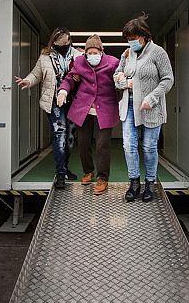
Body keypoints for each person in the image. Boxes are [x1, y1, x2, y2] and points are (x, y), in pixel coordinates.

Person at [114, 13, 174, 202]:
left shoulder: (158, 53)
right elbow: (117, 76)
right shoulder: (127, 54)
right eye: (128, 39)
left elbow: (168, 79)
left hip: (151, 106)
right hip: (129, 105)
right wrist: (125, 83)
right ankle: (134, 182)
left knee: (149, 147)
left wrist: (152, 97)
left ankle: (150, 184)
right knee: (128, 145)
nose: (130, 42)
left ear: (144, 36)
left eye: (133, 38)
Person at [15, 27, 83, 188]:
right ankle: (60, 173)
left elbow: (88, 74)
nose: (64, 45)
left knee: (70, 138)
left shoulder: (78, 55)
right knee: (60, 134)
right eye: (61, 43)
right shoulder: (45, 57)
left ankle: (65, 167)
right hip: (54, 101)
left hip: (73, 101)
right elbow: (36, 74)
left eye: (66, 42)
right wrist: (27, 81)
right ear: (54, 42)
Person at [56, 34, 120, 195]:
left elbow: (121, 76)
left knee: (102, 144)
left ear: (101, 51)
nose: (92, 55)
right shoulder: (79, 62)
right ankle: (88, 172)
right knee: (83, 143)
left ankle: (103, 178)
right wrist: (63, 91)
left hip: (105, 109)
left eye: (95, 52)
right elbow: (69, 79)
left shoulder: (113, 63)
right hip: (83, 110)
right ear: (85, 53)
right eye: (89, 53)